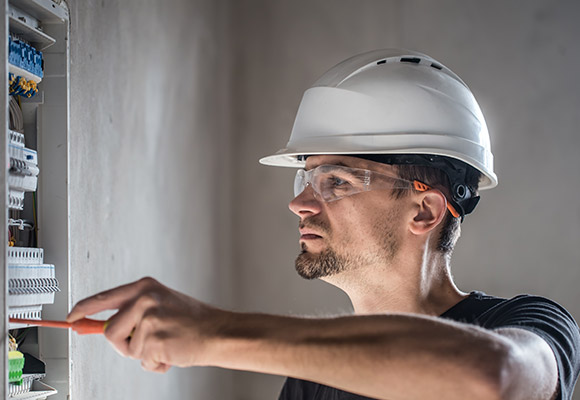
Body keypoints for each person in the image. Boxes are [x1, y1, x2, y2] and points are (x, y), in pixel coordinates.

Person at [67, 49, 580, 399]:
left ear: (423, 210)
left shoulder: (528, 325)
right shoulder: (315, 378)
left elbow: (496, 378)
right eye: (306, 180)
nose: (301, 205)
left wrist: (214, 332)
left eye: (336, 182)